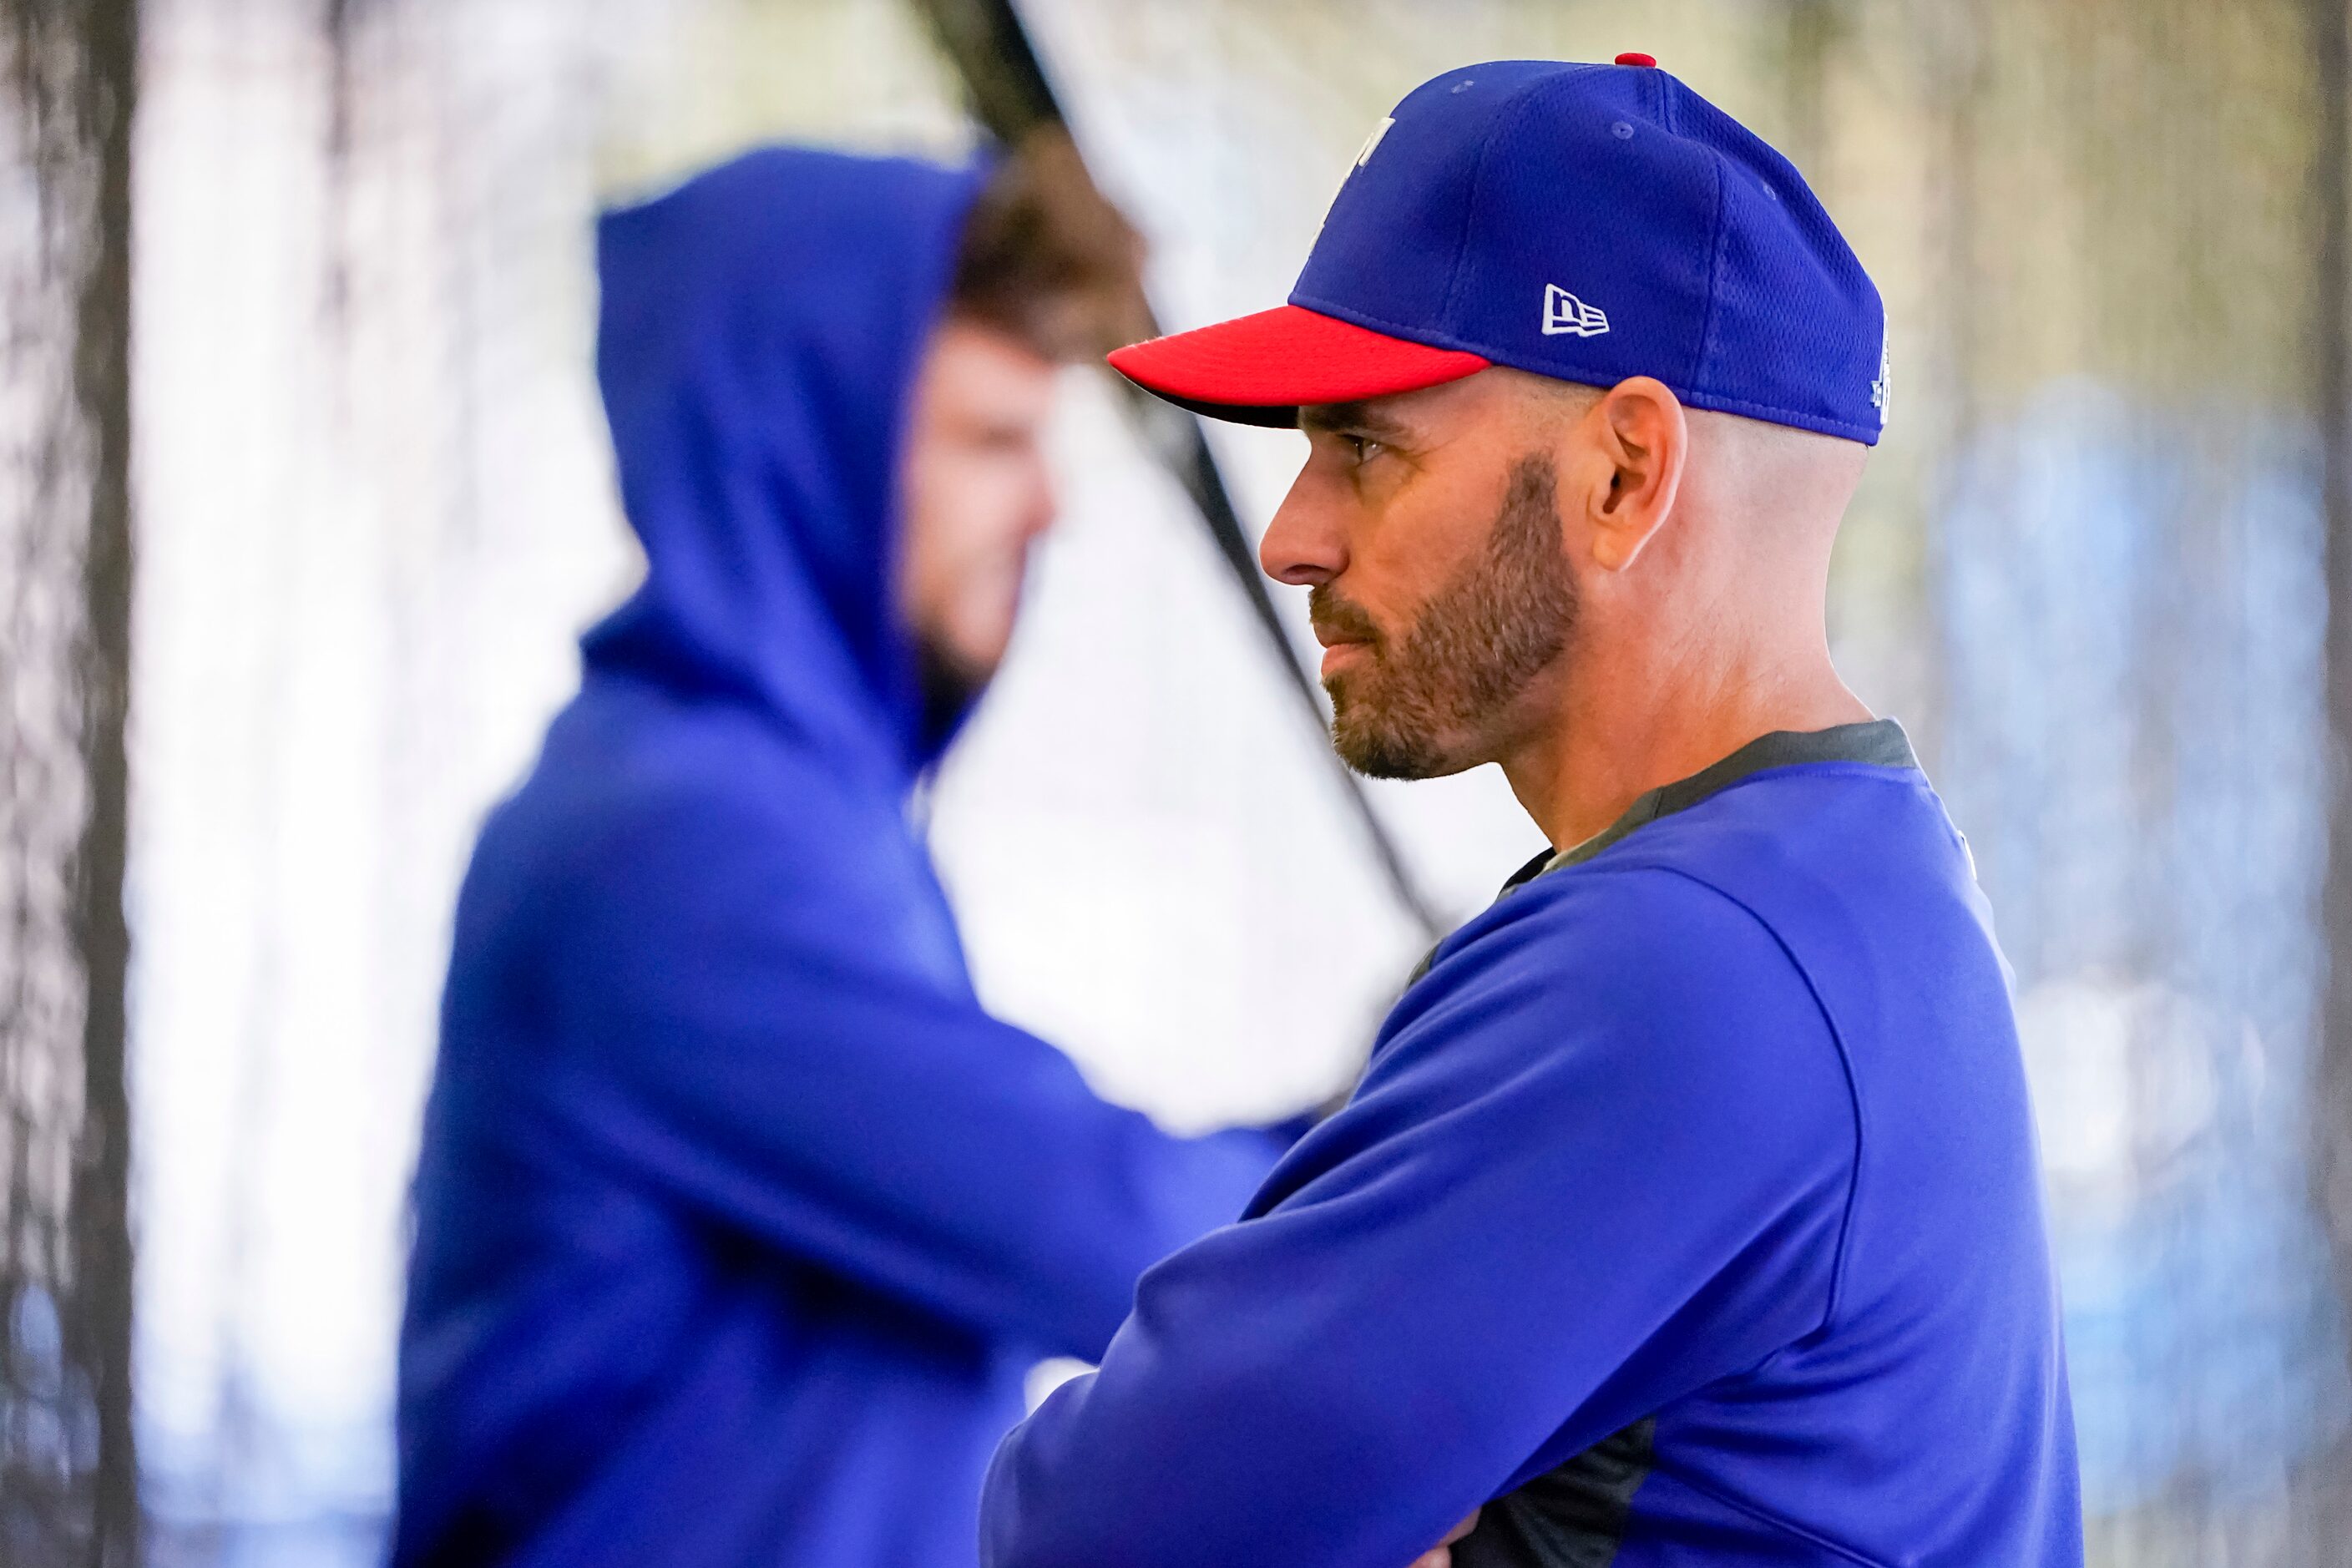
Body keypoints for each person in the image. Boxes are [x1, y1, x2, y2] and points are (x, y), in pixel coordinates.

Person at [980, 56, 2081, 1568]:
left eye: (1366, 447)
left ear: (1624, 472)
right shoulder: (1854, 875)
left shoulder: (1683, 957)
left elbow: (1085, 1529)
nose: (1293, 537)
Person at [392, 139, 1297, 1568]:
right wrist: (1451, 1118)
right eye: (992, 440)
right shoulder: (678, 850)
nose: (1051, 506)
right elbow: (1127, 1241)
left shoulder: (770, 813)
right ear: (803, 448)